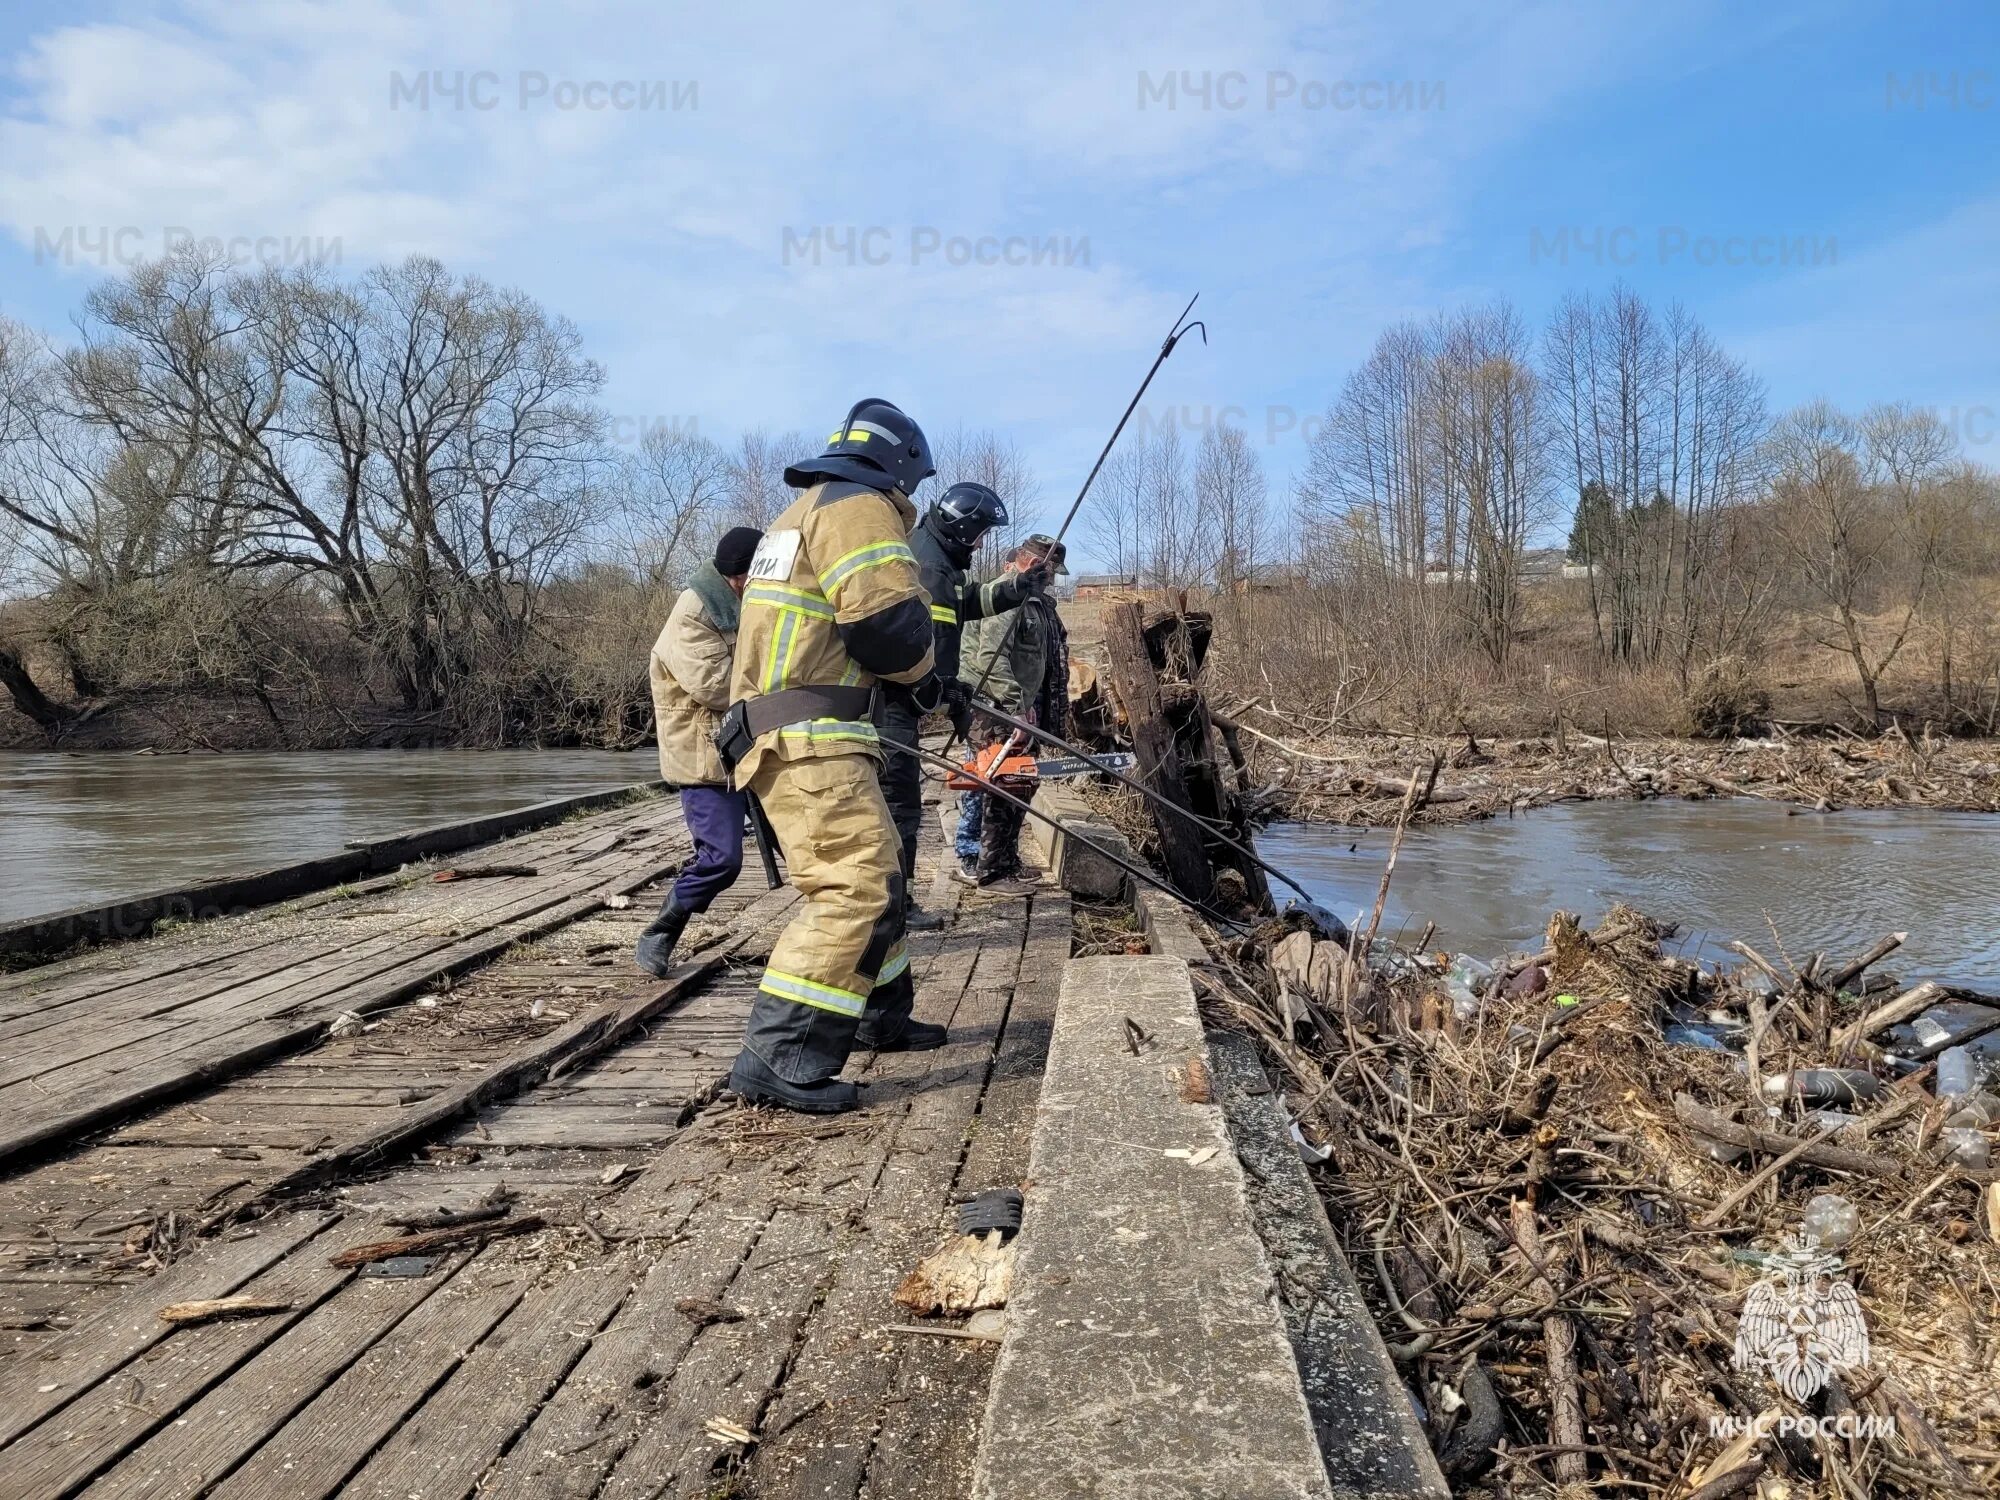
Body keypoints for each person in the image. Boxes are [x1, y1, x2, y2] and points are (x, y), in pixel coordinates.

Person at [718, 399, 949, 1114]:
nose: (909, 502)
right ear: (900, 468)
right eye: (910, 488)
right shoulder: (858, 506)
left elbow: (837, 629)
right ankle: (778, 1055)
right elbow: (884, 623)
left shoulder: (801, 515)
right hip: (808, 735)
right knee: (856, 887)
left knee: (878, 876)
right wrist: (929, 681)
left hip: (795, 729)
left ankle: (880, 1015)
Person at [884, 481, 1041, 931]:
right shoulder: (931, 567)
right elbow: (928, 643)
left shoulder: (939, 558)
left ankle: (894, 901)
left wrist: (1015, 588)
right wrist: (943, 690)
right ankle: (897, 906)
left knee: (900, 804)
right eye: (980, 534)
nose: (981, 543)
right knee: (901, 807)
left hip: (900, 702)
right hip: (893, 706)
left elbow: (966, 603)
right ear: (962, 528)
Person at [635, 526, 764, 977]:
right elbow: (718, 688)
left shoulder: (747, 601)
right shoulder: (694, 612)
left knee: (805, 840)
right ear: (739, 576)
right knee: (722, 860)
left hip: (750, 749)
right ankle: (660, 931)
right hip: (704, 757)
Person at [954, 534, 1067, 892]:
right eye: (1050, 570)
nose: (1052, 578)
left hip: (1019, 707)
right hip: (994, 707)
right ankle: (991, 869)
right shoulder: (1007, 595)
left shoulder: (1034, 600)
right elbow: (990, 657)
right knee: (1004, 782)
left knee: (1020, 783)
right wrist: (1016, 708)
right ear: (1036, 564)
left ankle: (1007, 859)